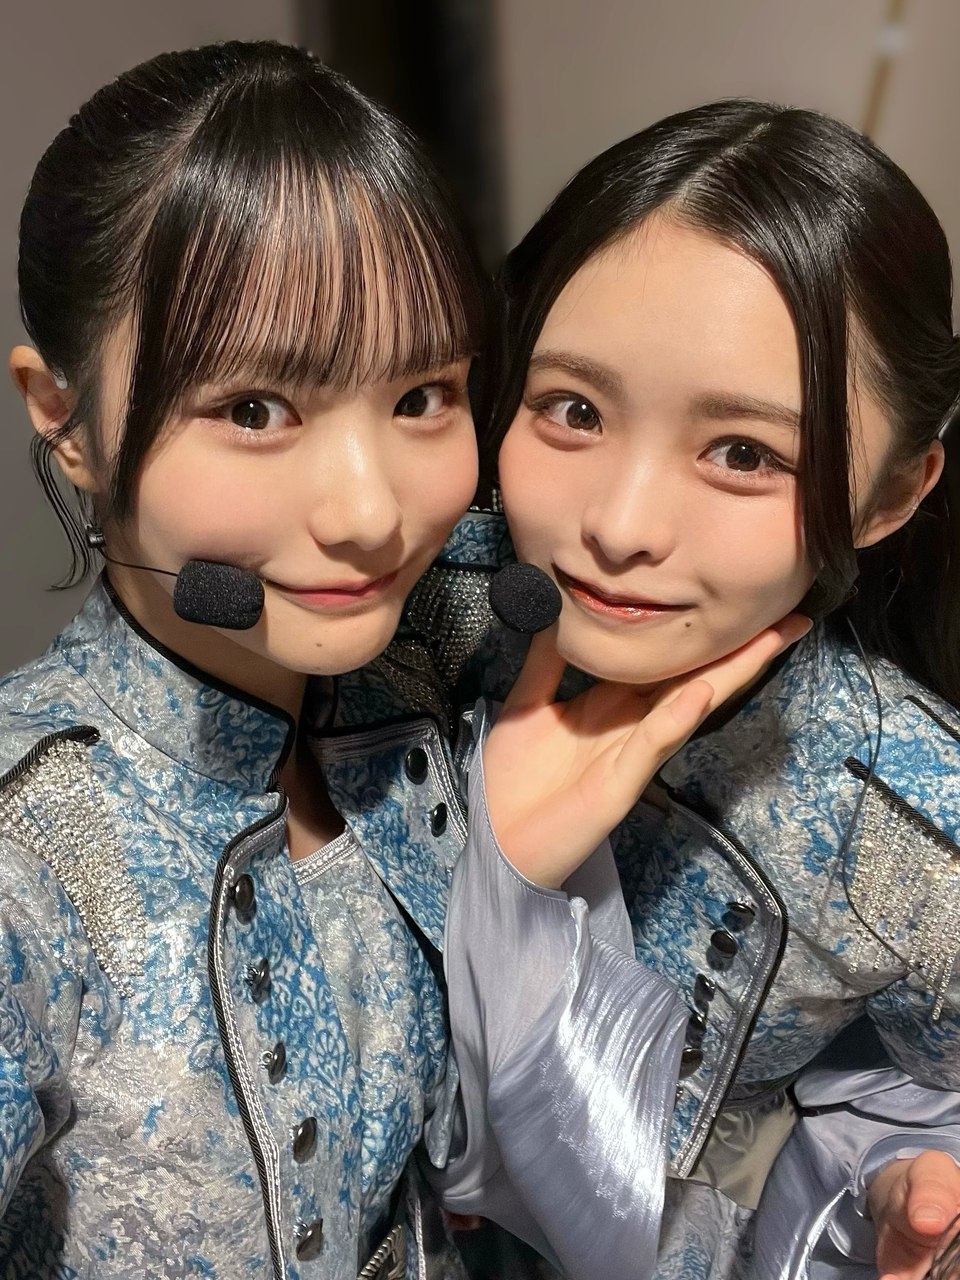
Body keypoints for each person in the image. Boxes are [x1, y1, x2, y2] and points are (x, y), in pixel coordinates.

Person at [404, 101, 960, 1279]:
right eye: (573, 409)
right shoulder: (406, 604)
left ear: (894, 491)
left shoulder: (910, 820)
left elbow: (924, 1099)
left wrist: (891, 1179)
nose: (618, 525)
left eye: (744, 453)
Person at [0, 39, 493, 1280]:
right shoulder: (33, 852)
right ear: (65, 419)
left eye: (423, 395)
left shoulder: (447, 649)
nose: (371, 513)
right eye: (255, 410)